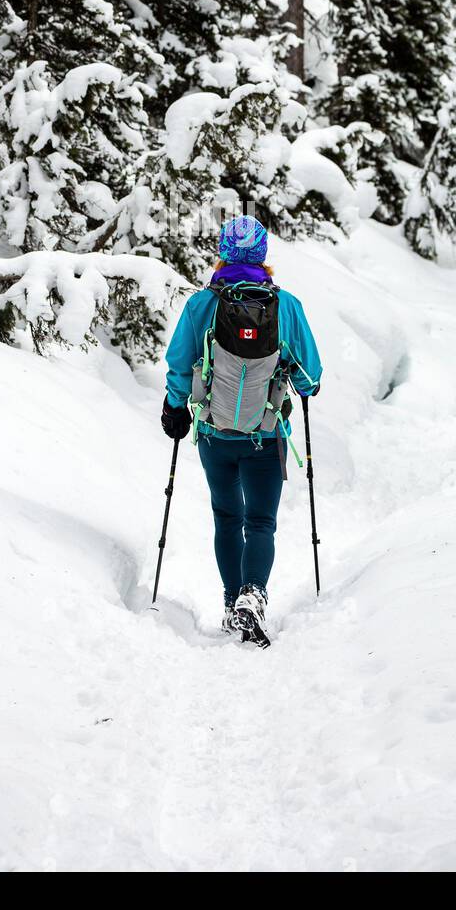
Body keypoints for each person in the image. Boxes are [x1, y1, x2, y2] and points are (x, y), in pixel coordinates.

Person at [161, 215, 322, 646]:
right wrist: (304, 384)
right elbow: (310, 375)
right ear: (264, 255)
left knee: (227, 518)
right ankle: (255, 594)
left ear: (223, 252)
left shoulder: (202, 305)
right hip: (266, 434)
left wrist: (175, 408)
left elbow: (179, 363)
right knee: (261, 522)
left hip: (214, 434)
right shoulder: (285, 305)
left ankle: (234, 604)